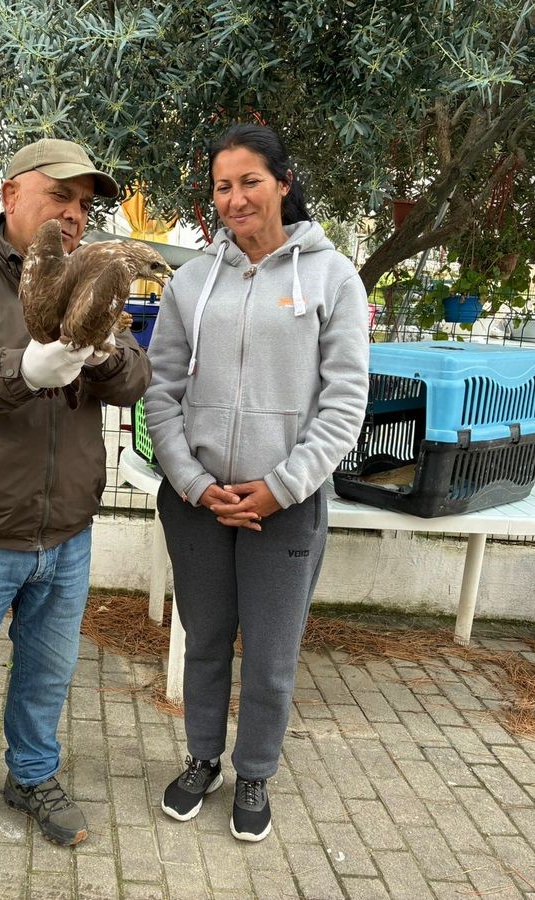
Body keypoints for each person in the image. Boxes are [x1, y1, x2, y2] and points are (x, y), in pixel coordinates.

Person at [0, 138, 151, 880]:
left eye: (84, 204)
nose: (74, 215)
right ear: (9, 195)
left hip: (65, 529)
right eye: (59, 197)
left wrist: (105, 356)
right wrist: (26, 370)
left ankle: (32, 776)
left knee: (47, 672)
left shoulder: (93, 276)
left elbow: (135, 379)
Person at [144, 124, 369, 841]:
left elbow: (344, 403)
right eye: (222, 185)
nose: (235, 198)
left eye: (250, 181)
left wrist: (282, 486)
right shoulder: (191, 281)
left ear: (283, 183)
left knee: (270, 656)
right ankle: (202, 760)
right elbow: (161, 391)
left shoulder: (332, 278)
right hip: (199, 502)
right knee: (205, 640)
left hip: (286, 505)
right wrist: (190, 480)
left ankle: (257, 773)